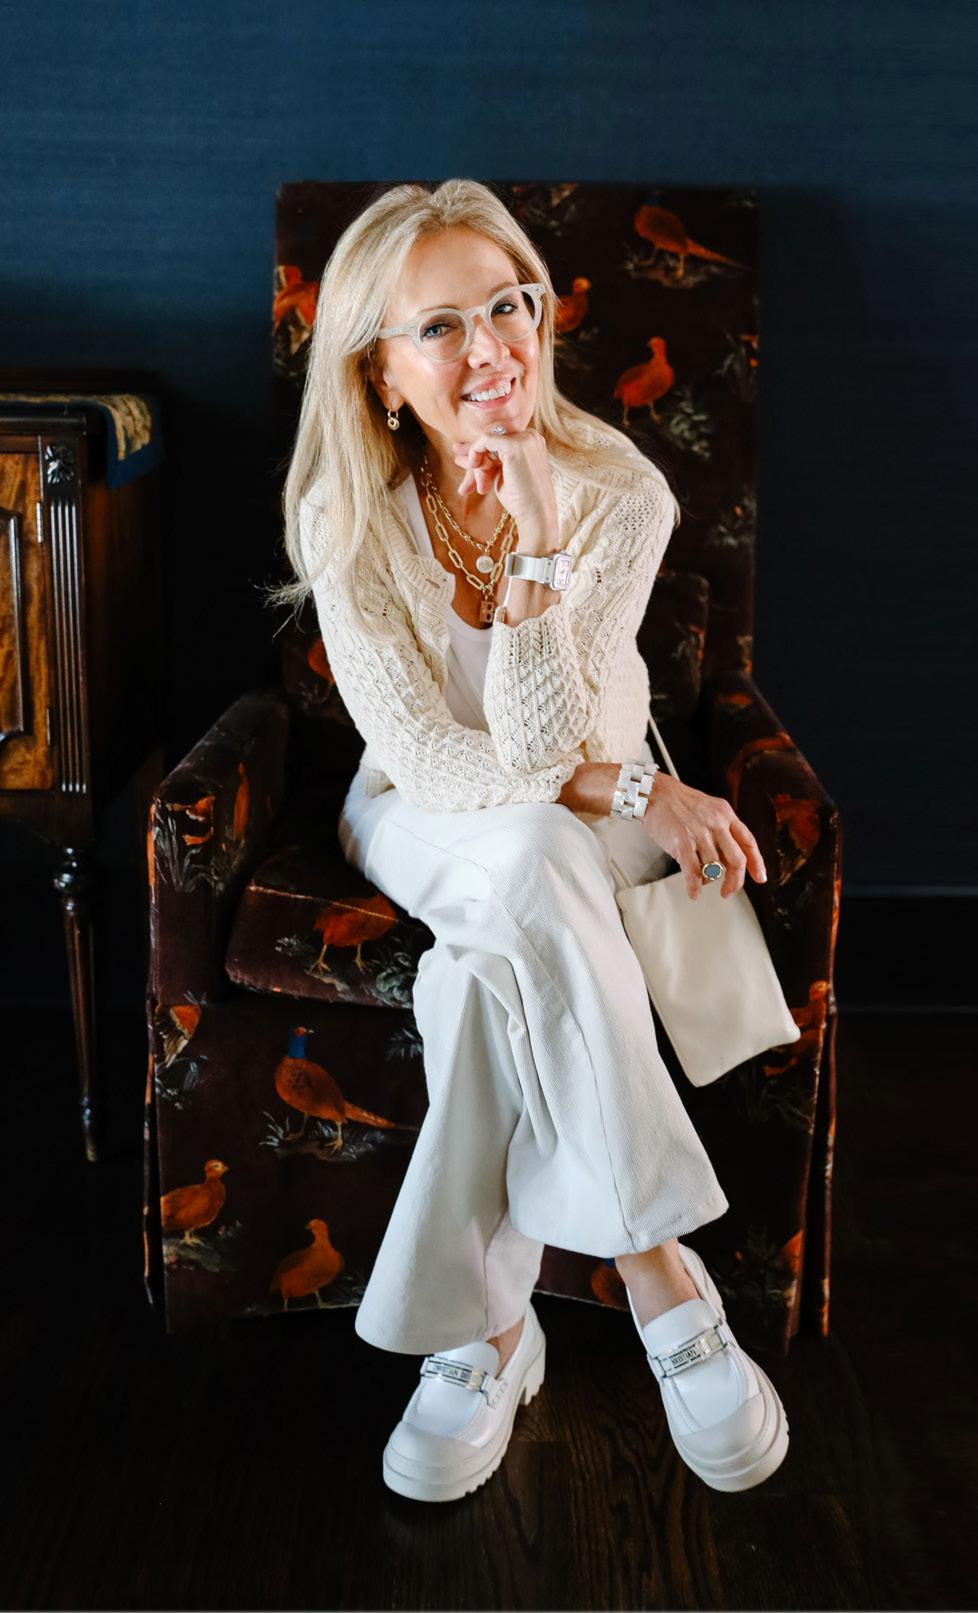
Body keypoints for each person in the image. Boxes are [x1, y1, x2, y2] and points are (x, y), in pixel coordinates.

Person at [268, 179, 789, 1502]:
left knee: (475, 972)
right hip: (422, 816)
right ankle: (664, 1278)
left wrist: (543, 544)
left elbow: (540, 737)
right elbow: (439, 759)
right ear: (380, 377)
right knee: (526, 856)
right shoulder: (347, 513)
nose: (492, 344)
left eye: (508, 304)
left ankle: (484, 1336)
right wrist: (638, 792)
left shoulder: (621, 494)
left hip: (571, 830)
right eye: (439, 325)